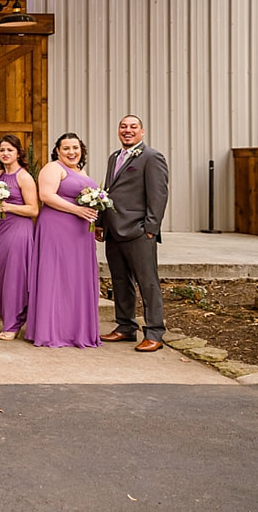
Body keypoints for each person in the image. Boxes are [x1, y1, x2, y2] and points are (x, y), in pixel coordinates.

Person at [97, 115, 170, 352]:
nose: (127, 130)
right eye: (123, 126)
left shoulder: (151, 157)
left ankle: (155, 332)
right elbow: (107, 192)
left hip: (139, 231)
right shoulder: (114, 157)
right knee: (120, 281)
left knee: (147, 283)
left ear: (142, 131)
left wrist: (150, 229)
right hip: (113, 230)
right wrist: (101, 223)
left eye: (133, 127)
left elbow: (158, 196)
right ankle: (125, 326)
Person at [25, 133, 102, 348]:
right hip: (57, 229)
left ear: (81, 150)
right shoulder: (53, 168)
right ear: (57, 151)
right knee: (56, 276)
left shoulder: (81, 171)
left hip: (80, 234)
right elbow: (46, 196)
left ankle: (75, 330)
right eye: (66, 148)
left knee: (75, 279)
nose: (71, 152)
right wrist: (78, 210)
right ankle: (51, 330)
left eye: (75, 147)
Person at [0, 134, 39, 341]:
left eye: (9, 150)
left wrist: (10, 206)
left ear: (18, 153)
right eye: (2, 150)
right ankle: (12, 316)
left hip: (18, 230)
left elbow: (34, 210)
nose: (5, 154)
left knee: (14, 277)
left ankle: (13, 324)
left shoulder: (24, 177)